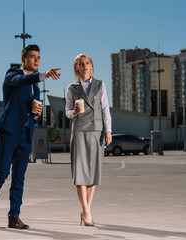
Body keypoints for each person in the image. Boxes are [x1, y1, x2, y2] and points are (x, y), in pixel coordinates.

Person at [0, 44, 61, 229]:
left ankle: (14, 216)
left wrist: (37, 114)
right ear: (24, 59)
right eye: (32, 57)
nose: (36, 60)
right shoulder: (12, 75)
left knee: (19, 178)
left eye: (38, 57)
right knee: (1, 173)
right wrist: (44, 74)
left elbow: (32, 114)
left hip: (25, 135)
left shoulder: (36, 89)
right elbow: (19, 81)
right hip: (8, 131)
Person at [65, 53, 112, 226]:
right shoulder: (72, 87)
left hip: (96, 130)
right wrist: (74, 113)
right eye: (80, 63)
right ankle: (87, 212)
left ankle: (86, 211)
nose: (84, 66)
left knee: (93, 173)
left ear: (91, 65)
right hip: (79, 131)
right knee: (80, 174)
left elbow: (105, 109)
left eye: (87, 63)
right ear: (76, 67)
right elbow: (67, 111)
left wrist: (108, 130)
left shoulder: (100, 85)